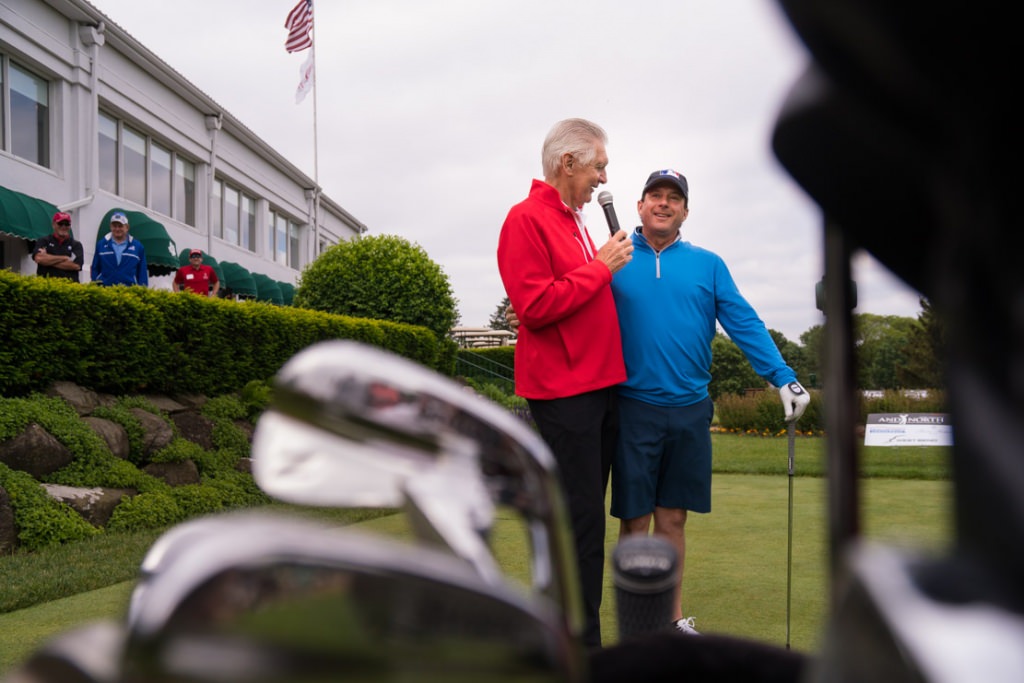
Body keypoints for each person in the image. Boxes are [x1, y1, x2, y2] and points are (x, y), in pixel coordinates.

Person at [609, 169, 809, 635]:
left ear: (685, 210)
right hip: (632, 406)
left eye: (673, 198)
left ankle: (671, 619)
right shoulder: (614, 257)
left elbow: (744, 321)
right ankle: (637, 626)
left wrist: (783, 377)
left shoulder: (708, 264)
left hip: (689, 408)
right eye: (654, 196)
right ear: (639, 206)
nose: (663, 204)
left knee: (673, 518)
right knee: (636, 521)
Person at [496, 117, 634, 649]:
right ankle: (578, 648)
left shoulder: (575, 221)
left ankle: (576, 639)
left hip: (601, 389)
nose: (603, 177)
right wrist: (601, 268)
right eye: (598, 165)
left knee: (586, 523)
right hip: (565, 394)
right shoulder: (526, 218)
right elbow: (533, 308)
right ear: (568, 163)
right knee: (577, 526)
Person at [91, 212, 148, 287]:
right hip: (105, 291)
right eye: (114, 226)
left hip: (129, 291)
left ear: (127, 227)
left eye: (120, 226)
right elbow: (95, 268)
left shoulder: (138, 247)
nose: (117, 229)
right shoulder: (101, 244)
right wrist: (95, 285)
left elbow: (142, 272)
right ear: (110, 227)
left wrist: (142, 291)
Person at [32, 211, 84, 281]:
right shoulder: (44, 241)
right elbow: (39, 258)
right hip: (45, 286)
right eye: (60, 223)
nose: (63, 226)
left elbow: (76, 266)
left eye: (67, 224)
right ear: (53, 224)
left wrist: (47, 260)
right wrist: (64, 258)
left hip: (69, 287)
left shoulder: (76, 245)